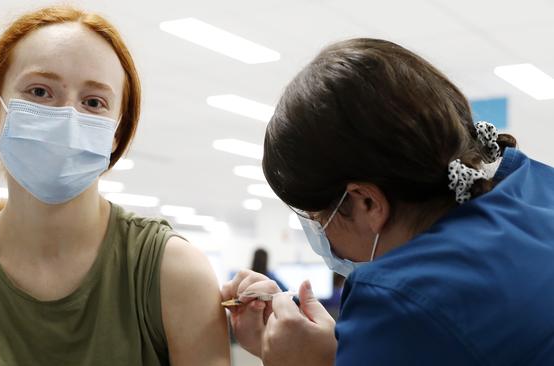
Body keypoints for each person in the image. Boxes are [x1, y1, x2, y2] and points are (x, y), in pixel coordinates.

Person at [0, 6, 229, 366]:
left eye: (93, 102)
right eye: (40, 92)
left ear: (116, 132)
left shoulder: (172, 273)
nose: (67, 119)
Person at [222, 38, 554, 365]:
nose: (321, 238)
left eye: (318, 219)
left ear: (367, 202)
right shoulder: (537, 187)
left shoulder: (396, 300)